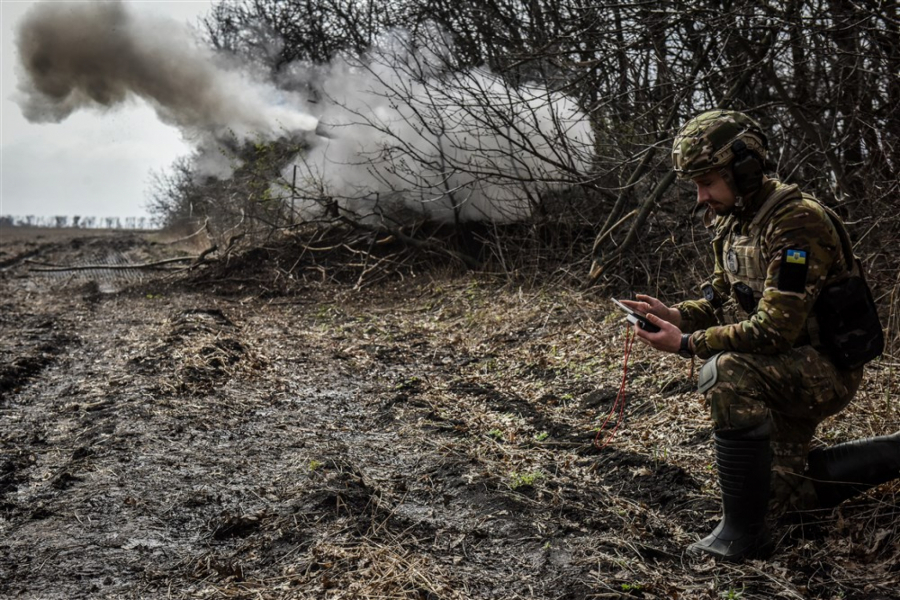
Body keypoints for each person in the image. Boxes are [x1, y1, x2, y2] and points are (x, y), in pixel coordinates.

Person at [620, 110, 896, 561]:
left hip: (822, 370)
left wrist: (688, 344)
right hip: (785, 366)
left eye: (707, 181)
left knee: (723, 372)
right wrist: (673, 314)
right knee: (786, 502)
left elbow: (774, 329)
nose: (700, 196)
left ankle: (743, 535)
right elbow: (720, 302)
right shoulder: (733, 220)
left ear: (744, 170)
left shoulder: (795, 224)